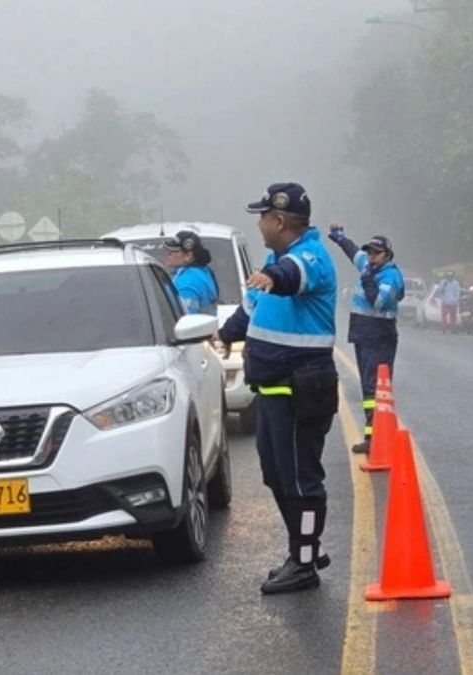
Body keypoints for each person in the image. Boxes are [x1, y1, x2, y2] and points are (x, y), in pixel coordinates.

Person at [217, 182, 338, 595]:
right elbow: (249, 310)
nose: (259, 223)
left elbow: (291, 277)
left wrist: (272, 275)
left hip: (301, 388)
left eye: (263, 216)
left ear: (280, 220)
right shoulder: (274, 260)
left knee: (301, 479)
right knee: (274, 474)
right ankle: (302, 548)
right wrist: (223, 333)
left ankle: (304, 564)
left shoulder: (309, 258)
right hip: (271, 389)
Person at [326, 226, 404, 453]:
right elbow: (353, 252)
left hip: (379, 335)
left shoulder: (390, 276)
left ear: (387, 255)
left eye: (376, 253)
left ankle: (376, 437)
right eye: (369, 252)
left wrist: (368, 278)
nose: (371, 257)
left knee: (375, 387)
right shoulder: (367, 265)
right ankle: (373, 435)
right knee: (368, 386)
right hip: (363, 333)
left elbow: (378, 301)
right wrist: (340, 239)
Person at [163, 230, 219, 316]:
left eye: (173, 252)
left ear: (188, 255)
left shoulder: (187, 284)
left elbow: (186, 320)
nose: (168, 255)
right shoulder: (203, 272)